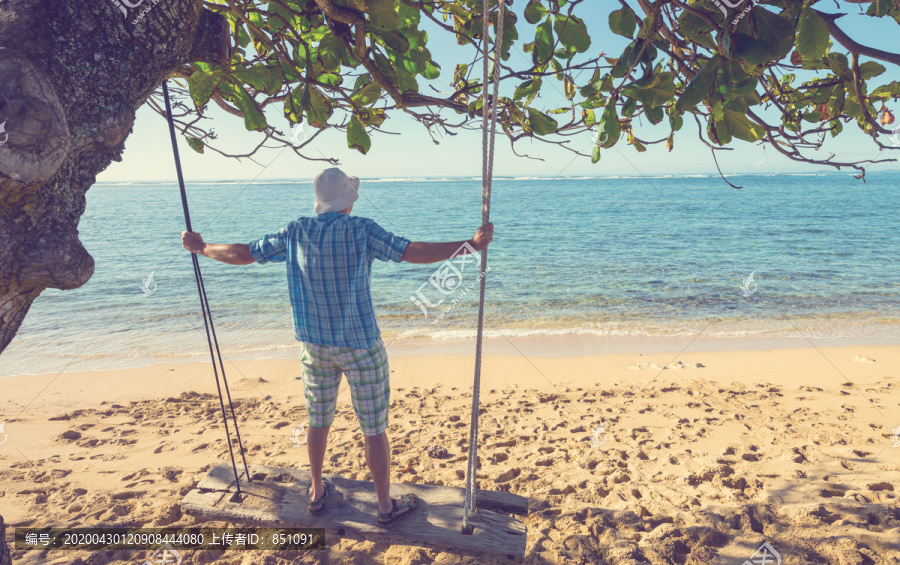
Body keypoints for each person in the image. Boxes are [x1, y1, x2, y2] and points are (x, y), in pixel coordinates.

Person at [181, 167, 494, 526]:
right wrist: (469, 245)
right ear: (348, 202)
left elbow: (244, 254)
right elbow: (413, 252)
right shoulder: (362, 229)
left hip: (314, 346)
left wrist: (202, 248)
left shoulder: (296, 230)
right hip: (361, 345)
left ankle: (316, 492)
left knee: (318, 420)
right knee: (373, 428)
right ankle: (384, 506)